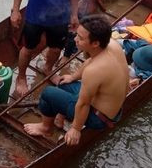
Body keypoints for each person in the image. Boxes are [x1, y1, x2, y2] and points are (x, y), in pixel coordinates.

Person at [23, 15, 129, 145]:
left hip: (99, 117)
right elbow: (90, 60)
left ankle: (45, 128)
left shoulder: (95, 71)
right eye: (77, 34)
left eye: (81, 38)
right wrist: (73, 77)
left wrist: (76, 129)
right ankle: (60, 118)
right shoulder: (112, 46)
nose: (75, 39)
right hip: (107, 105)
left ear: (95, 43)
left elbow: (83, 103)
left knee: (48, 93)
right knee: (63, 82)